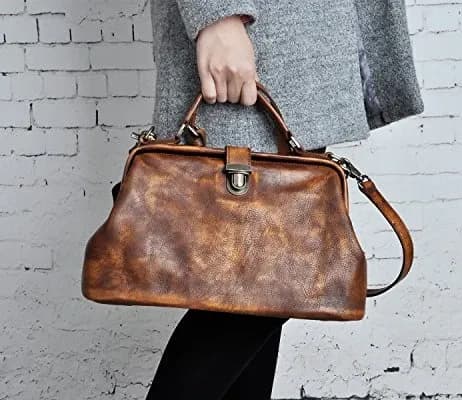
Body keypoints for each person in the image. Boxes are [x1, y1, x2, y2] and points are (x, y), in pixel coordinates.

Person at [145, 1, 424, 399]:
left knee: (262, 290)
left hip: (290, 47)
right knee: (259, 285)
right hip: (253, 37)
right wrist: (216, 14)